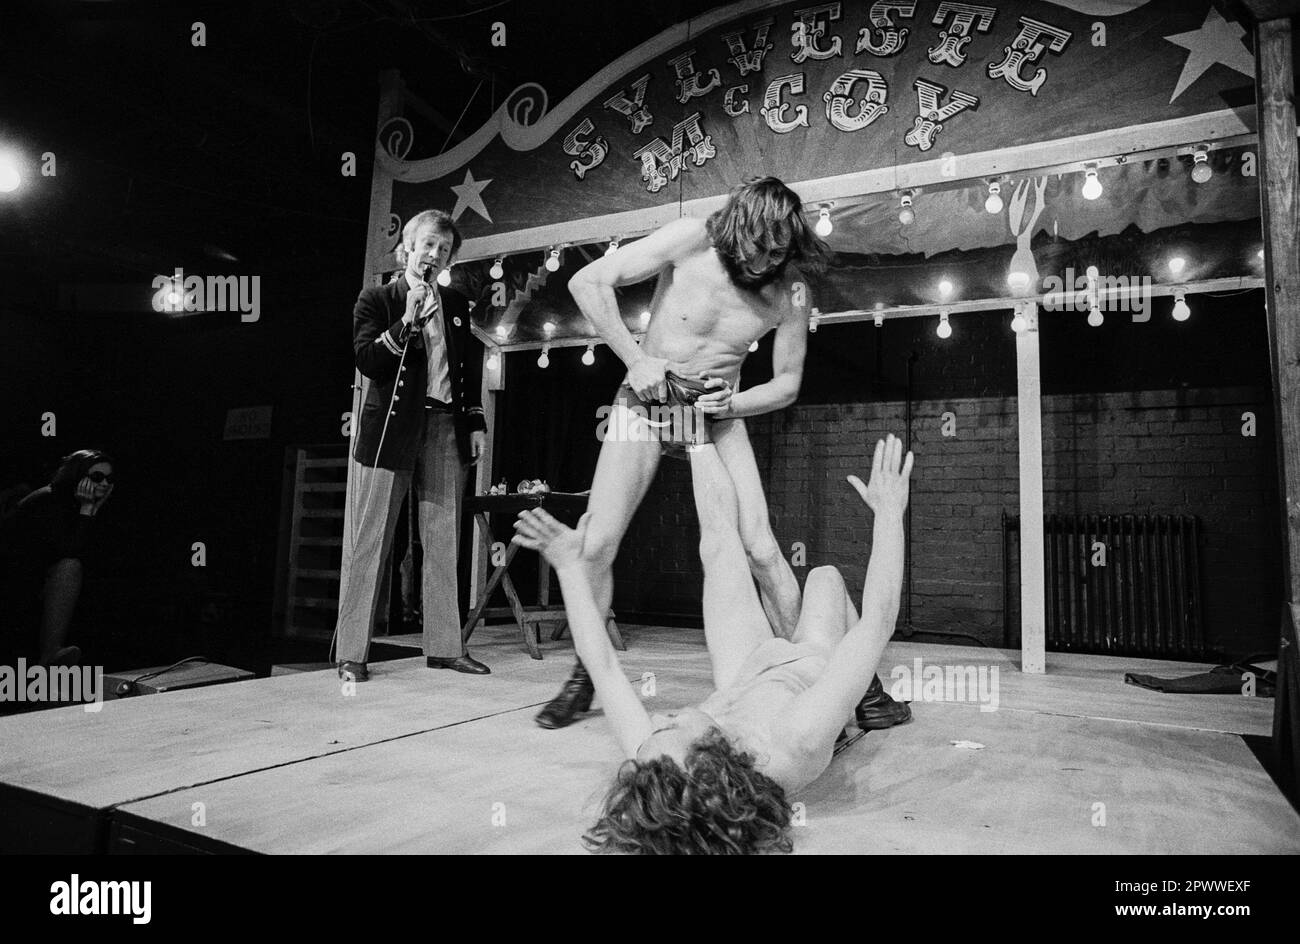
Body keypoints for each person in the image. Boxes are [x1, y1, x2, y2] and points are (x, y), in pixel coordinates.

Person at [535, 176, 907, 732]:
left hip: (717, 414)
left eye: (777, 253)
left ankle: (857, 690)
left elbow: (786, 383)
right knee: (597, 541)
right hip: (644, 403)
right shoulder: (691, 238)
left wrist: (734, 401)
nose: (762, 262)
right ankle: (586, 675)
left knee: (760, 548)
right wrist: (635, 358)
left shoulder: (790, 293)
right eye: (755, 247)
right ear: (737, 226)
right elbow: (590, 281)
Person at [513, 433, 913, 854]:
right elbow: (877, 623)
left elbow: (603, 665)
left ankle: (695, 434)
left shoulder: (661, 764)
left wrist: (568, 567)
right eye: (671, 727)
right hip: (806, 665)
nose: (661, 717)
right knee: (824, 577)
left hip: (744, 673)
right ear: (711, 760)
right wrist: (888, 514)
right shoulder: (798, 740)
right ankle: (863, 691)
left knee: (719, 545)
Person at [335, 209, 489, 682]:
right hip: (392, 429)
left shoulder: (458, 304)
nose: (435, 254)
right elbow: (367, 361)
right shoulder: (378, 298)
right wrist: (405, 322)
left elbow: (469, 367)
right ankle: (352, 653)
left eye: (443, 249)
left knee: (444, 538)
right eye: (427, 245)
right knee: (372, 539)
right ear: (408, 247)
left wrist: (476, 421)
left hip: (445, 426)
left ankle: (444, 646)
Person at [0, 449, 115, 667]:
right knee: (70, 567)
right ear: (77, 476)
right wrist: (88, 509)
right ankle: (50, 653)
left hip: (38, 575)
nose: (105, 483)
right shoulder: (48, 499)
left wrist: (90, 510)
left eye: (109, 478)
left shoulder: (77, 503)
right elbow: (70, 551)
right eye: (97, 477)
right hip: (15, 576)